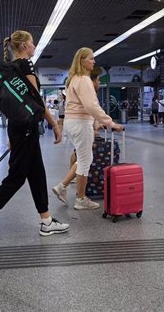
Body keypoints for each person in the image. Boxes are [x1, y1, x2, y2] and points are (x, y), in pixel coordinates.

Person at [0, 30, 69, 243]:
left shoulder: (12, 69)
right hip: (25, 129)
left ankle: (47, 221)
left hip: (20, 128)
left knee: (37, 174)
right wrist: (55, 125)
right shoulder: (25, 66)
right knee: (16, 178)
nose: (34, 46)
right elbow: (37, 101)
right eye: (32, 43)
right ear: (23, 46)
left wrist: (13, 134)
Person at [52, 48, 123, 210]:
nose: (94, 61)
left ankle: (62, 187)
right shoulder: (84, 80)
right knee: (85, 162)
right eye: (91, 58)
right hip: (81, 123)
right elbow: (91, 106)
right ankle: (81, 199)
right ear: (82, 61)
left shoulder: (73, 79)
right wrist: (111, 123)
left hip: (72, 122)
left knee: (83, 158)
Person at [61, 69, 103, 188]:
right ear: (93, 81)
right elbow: (91, 109)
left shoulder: (74, 86)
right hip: (82, 126)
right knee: (84, 158)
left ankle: (71, 178)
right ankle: (65, 185)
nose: (99, 83)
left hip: (74, 124)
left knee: (79, 154)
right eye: (98, 80)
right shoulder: (87, 91)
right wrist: (101, 125)